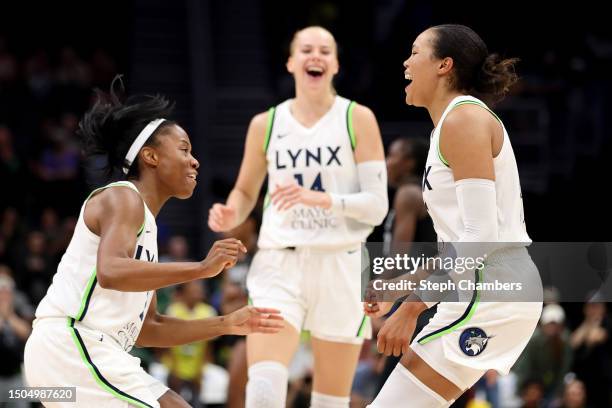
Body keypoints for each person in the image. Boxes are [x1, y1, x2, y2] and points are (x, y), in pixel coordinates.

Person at [23, 77, 284, 408]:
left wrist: (226, 324)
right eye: (184, 149)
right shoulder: (122, 197)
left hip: (94, 354)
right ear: (150, 156)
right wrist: (202, 269)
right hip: (71, 344)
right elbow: (111, 271)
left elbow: (150, 328)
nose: (195, 161)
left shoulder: (147, 227)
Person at [208, 26, 388, 408]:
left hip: (341, 262)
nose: (315, 56)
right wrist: (231, 211)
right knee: (263, 391)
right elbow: (244, 192)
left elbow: (376, 205)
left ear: (335, 64)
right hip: (280, 262)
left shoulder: (358, 118)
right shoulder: (266, 124)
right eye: (306, 49)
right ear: (291, 62)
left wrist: (320, 199)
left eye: (325, 50)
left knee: (329, 402)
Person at [365, 24, 542, 407]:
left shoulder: (464, 120)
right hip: (480, 288)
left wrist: (411, 307)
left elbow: (481, 237)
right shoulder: (448, 126)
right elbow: (460, 247)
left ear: (444, 65)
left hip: (493, 290)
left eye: (415, 52)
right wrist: (398, 290)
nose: (406, 62)